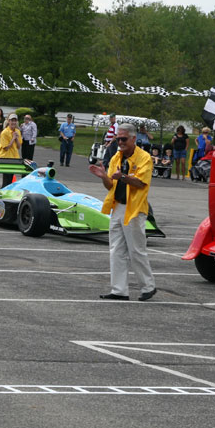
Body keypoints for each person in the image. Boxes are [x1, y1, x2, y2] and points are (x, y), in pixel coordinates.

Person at [88, 123, 156, 301]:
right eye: (118, 139)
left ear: (134, 139)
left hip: (134, 209)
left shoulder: (144, 158)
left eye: (123, 139)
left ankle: (148, 286)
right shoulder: (116, 158)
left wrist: (123, 177)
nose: (120, 142)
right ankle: (119, 290)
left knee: (136, 250)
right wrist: (104, 177)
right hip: (117, 206)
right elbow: (111, 185)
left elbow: (141, 183)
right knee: (116, 250)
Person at [0, 113, 22, 183]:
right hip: (5, 158)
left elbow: (18, 146)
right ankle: (3, 191)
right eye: (12, 120)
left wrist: (16, 139)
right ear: (8, 121)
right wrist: (13, 138)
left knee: (11, 178)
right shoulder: (4, 132)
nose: (13, 122)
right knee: (6, 179)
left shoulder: (17, 131)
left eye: (15, 121)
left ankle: (8, 191)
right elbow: (5, 148)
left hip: (14, 158)